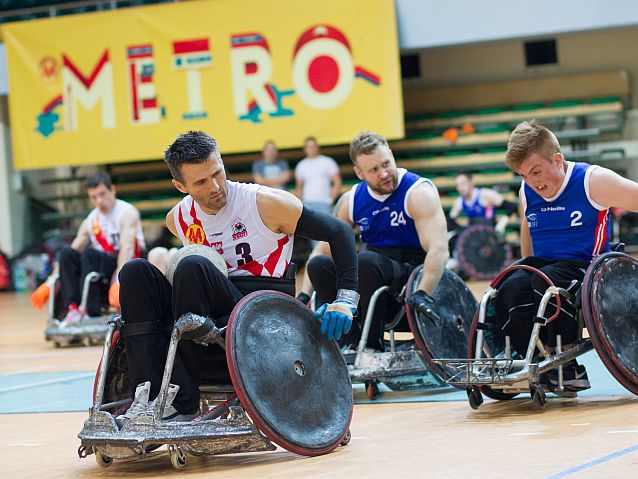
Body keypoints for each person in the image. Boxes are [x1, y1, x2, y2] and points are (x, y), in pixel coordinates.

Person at [115, 131, 358, 428]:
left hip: (262, 310)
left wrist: (346, 300)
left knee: (192, 266)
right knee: (134, 271)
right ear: (180, 186)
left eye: (217, 172)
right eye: (201, 182)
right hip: (208, 304)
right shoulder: (177, 219)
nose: (215, 186)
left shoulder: (265, 203)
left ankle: (182, 403)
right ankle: (147, 394)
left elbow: (340, 232)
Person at [494, 119, 638, 394]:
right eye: (524, 175)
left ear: (557, 160)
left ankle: (567, 365)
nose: (531, 182)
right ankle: (525, 359)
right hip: (548, 267)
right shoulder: (527, 189)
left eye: (535, 171)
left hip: (589, 269)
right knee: (511, 284)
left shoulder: (592, 181)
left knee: (546, 281)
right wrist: (524, 268)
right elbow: (527, 226)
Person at [306, 131, 449, 351]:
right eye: (373, 170)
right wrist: (304, 295)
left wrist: (422, 293)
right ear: (359, 173)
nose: (383, 173)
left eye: (386, 163)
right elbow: (322, 251)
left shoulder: (418, 192)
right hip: (369, 275)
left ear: (391, 156)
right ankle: (347, 339)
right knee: (318, 266)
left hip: (409, 279)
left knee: (364, 262)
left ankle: (372, 344)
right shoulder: (351, 200)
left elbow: (439, 250)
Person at [31, 172, 145, 323]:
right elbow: (74, 248)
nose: (99, 201)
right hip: (100, 266)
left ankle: (91, 310)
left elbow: (128, 248)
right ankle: (73, 308)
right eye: (94, 197)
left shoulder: (127, 212)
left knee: (90, 254)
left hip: (127, 265)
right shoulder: (91, 220)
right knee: (66, 253)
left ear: (113, 190)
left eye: (102, 194)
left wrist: (118, 279)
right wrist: (50, 282)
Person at [448, 172, 518, 234]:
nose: (460, 188)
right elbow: (450, 221)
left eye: (463, 184)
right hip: (474, 237)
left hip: (490, 233)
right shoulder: (459, 201)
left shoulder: (485, 194)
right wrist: (463, 231)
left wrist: (501, 224)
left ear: (471, 182)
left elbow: (511, 206)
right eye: (457, 185)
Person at [294, 136, 342, 216]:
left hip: (324, 202)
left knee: (326, 227)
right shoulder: (301, 165)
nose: (311, 149)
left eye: (313, 146)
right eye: (309, 147)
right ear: (305, 149)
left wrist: (330, 200)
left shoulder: (328, 162)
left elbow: (337, 182)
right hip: (307, 203)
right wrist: (300, 203)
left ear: (317, 147)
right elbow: (299, 187)